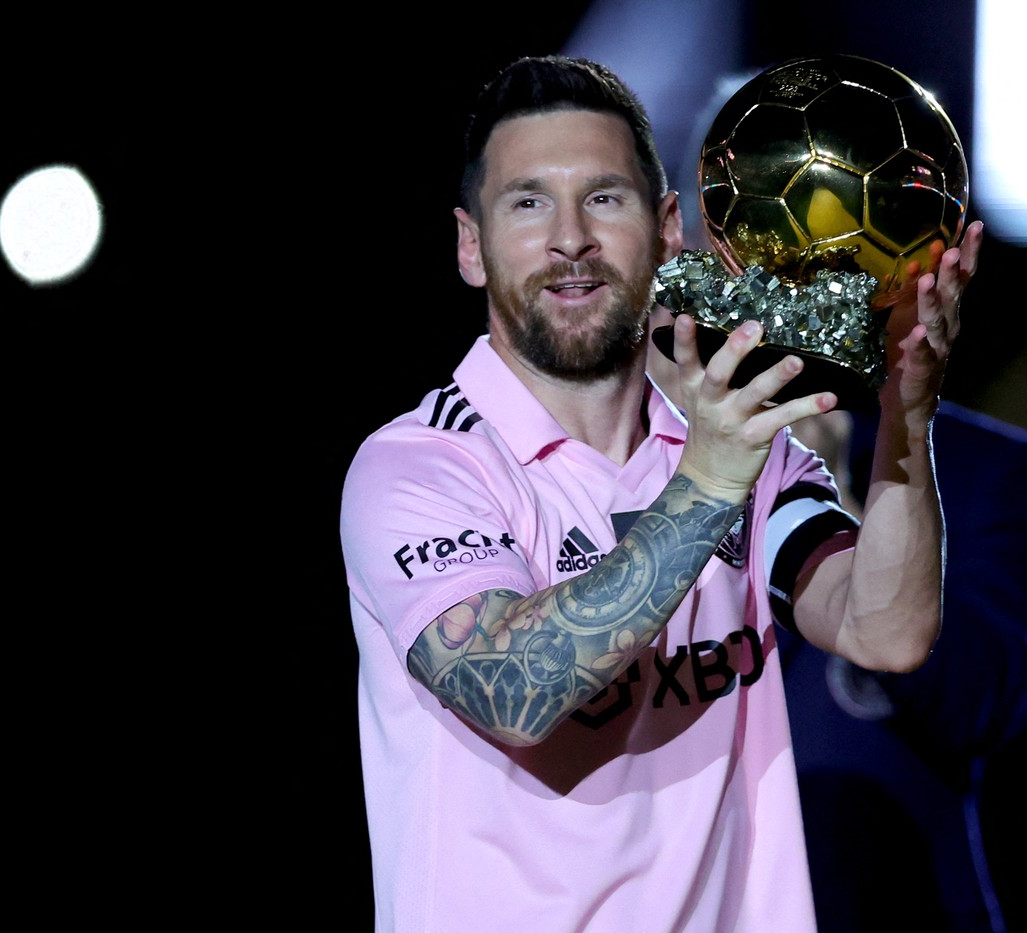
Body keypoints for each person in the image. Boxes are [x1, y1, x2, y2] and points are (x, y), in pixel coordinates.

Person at [340, 54, 984, 931]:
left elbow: (887, 628)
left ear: (670, 224)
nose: (570, 237)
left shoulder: (743, 444)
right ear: (470, 244)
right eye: (527, 203)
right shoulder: (420, 466)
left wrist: (910, 417)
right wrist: (710, 481)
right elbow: (509, 691)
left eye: (604, 197)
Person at [652, 308, 1027, 931]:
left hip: (888, 903)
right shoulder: (609, 463)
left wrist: (828, 489)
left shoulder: (981, 465)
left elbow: (981, 704)